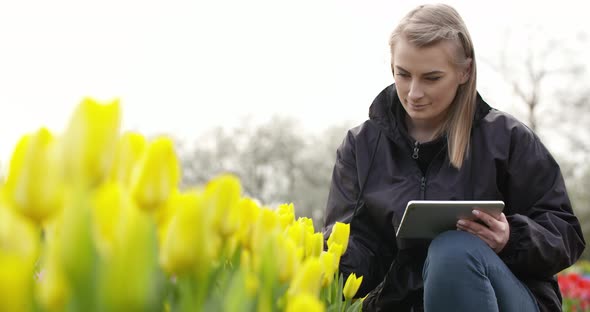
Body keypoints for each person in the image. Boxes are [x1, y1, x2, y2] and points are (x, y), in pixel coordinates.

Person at [322, 3, 585, 312]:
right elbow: (358, 246)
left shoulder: (508, 138)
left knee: (453, 251)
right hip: (400, 304)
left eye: (431, 78)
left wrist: (510, 238)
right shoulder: (361, 146)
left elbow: (565, 233)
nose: (413, 93)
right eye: (402, 74)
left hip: (508, 298)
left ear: (465, 71)